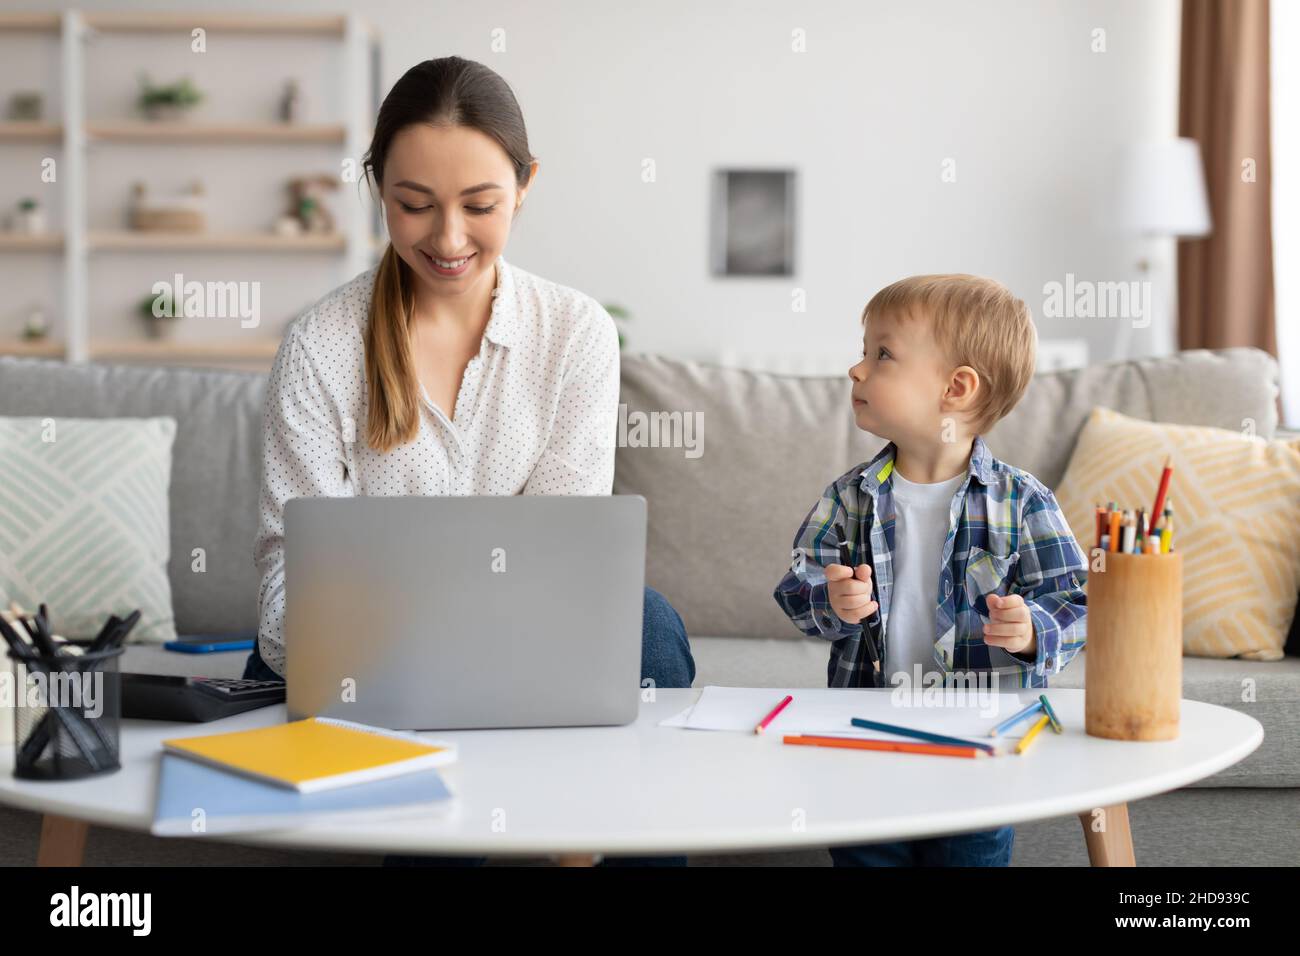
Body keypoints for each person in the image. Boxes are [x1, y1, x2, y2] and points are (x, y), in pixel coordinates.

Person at [245, 56, 695, 865]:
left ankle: (600, 827)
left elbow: (565, 553)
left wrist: (482, 635)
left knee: (650, 626)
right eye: (413, 206)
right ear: (379, 189)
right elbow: (288, 580)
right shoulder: (320, 344)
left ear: (525, 186)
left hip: (527, 635)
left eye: (479, 205)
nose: (448, 240)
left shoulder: (575, 331)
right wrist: (396, 642)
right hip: (370, 654)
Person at [772, 274, 1088, 866]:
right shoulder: (848, 498)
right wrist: (830, 600)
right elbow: (797, 583)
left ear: (957, 388)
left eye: (882, 354)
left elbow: (1077, 599)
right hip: (864, 740)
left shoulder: (1023, 501)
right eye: (864, 352)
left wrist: (1031, 630)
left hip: (979, 746)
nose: (856, 370)